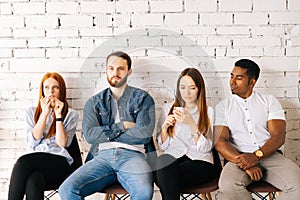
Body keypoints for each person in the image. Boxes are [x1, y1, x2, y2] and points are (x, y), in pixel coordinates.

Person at [59, 51, 156, 200]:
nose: (115, 73)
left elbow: (143, 135)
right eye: (111, 68)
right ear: (106, 70)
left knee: (143, 192)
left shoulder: (143, 99)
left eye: (120, 69)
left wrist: (105, 135)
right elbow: (90, 136)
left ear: (129, 71)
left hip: (133, 156)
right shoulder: (94, 102)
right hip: (102, 157)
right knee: (67, 189)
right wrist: (122, 126)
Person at [214, 59, 300, 200]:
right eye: (231, 76)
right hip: (237, 157)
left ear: (252, 82)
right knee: (228, 186)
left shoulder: (269, 101)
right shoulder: (223, 107)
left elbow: (278, 136)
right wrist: (245, 163)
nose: (232, 81)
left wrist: (256, 156)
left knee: (298, 186)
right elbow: (220, 142)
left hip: (269, 155)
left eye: (239, 78)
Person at [8, 72, 79, 200]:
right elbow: (32, 142)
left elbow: (63, 144)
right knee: (34, 181)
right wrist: (44, 114)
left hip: (59, 162)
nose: (51, 91)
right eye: (46, 87)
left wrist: (58, 116)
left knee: (22, 162)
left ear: (61, 90)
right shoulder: (31, 112)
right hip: (36, 163)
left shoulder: (71, 114)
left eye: (55, 87)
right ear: (42, 90)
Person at [155, 68, 215, 200]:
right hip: (174, 162)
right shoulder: (167, 109)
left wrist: (192, 124)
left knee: (163, 177)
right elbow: (163, 147)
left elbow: (206, 148)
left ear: (199, 89)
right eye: (182, 87)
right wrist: (165, 129)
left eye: (192, 88)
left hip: (200, 162)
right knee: (163, 163)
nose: (187, 93)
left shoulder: (208, 112)